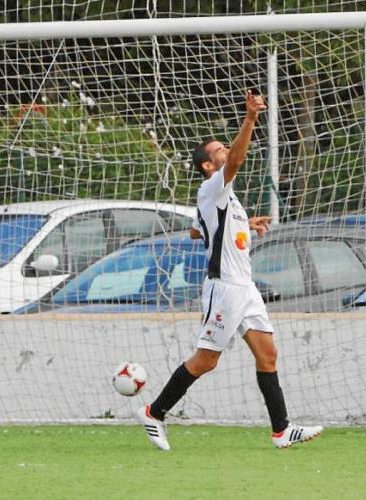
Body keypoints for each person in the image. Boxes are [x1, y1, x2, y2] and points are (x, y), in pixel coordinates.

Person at [137, 91, 322, 450]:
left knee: (268, 355)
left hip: (245, 288)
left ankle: (281, 430)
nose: (226, 151)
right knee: (206, 361)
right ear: (209, 166)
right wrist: (250, 118)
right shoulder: (213, 186)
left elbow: (196, 231)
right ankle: (154, 412)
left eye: (224, 147)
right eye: (219, 150)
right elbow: (236, 160)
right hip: (224, 289)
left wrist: (243, 224)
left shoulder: (224, 198)